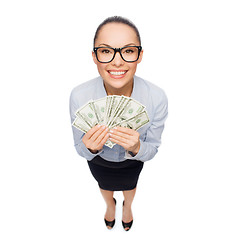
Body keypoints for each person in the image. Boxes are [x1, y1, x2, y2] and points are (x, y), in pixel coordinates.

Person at [69, 16, 168, 231]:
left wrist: (137, 147)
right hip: (99, 161)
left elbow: (152, 150)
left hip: (133, 161)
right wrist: (91, 148)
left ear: (139, 55)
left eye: (128, 50)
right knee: (104, 185)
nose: (117, 61)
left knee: (131, 185)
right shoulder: (79, 95)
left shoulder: (157, 97)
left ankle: (128, 207)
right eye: (106, 51)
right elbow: (79, 148)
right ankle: (110, 206)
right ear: (94, 56)